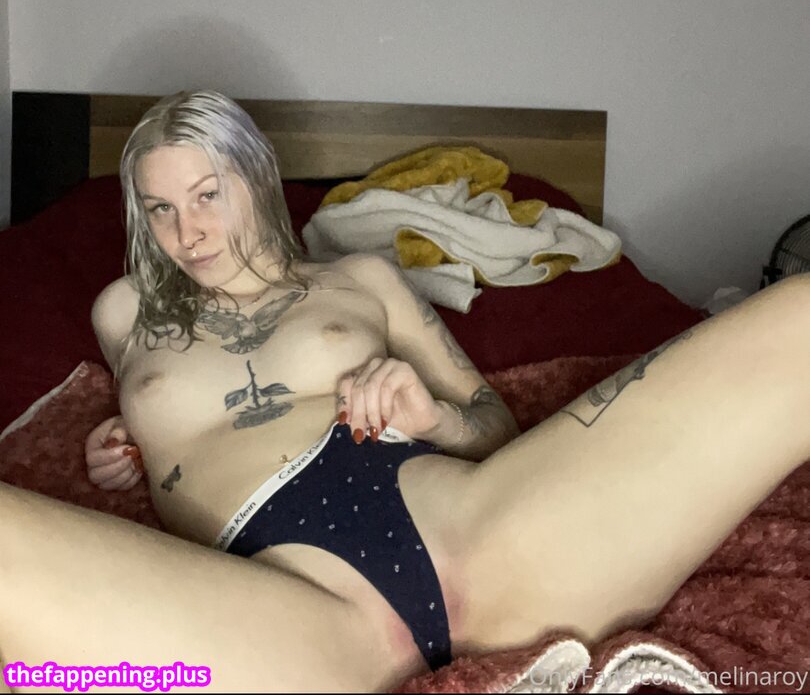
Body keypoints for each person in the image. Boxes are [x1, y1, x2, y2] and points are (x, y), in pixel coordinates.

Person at [3, 89, 809, 695]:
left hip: (478, 532)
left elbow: (493, 426)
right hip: (292, 610)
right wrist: (122, 448)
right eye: (161, 210)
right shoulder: (126, 311)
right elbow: (150, 414)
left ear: (256, 178)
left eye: (207, 195)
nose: (189, 233)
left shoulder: (362, 280)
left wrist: (434, 415)